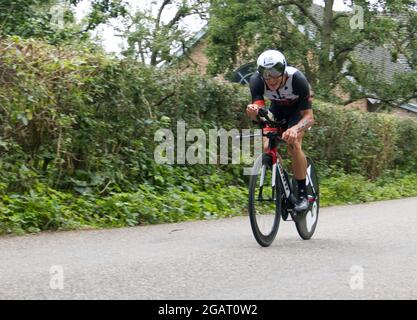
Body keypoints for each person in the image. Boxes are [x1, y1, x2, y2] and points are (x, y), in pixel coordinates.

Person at [246, 49, 314, 212]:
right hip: (277, 110)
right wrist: (253, 113)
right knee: (266, 146)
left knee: (293, 143)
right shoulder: (256, 81)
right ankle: (284, 184)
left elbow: (309, 117)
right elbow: (261, 112)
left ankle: (302, 195)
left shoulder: (297, 79)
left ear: (283, 69)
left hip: (297, 113)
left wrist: (296, 129)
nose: (270, 79)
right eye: (265, 73)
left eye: (275, 72)